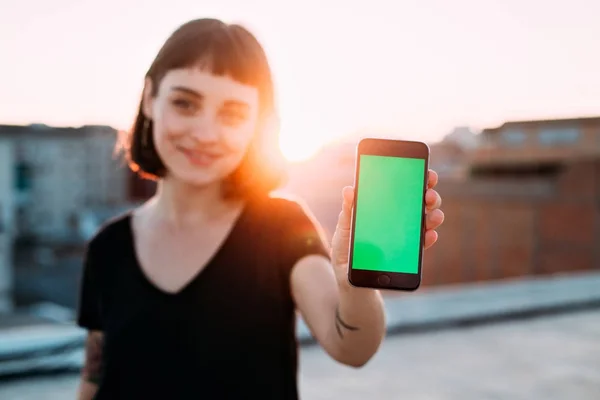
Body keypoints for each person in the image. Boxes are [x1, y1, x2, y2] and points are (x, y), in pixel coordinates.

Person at [76, 18, 445, 400]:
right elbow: (93, 379)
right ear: (151, 97)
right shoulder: (107, 248)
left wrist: (355, 284)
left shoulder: (281, 227)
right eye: (185, 103)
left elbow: (350, 348)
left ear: (257, 125)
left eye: (232, 114)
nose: (205, 133)